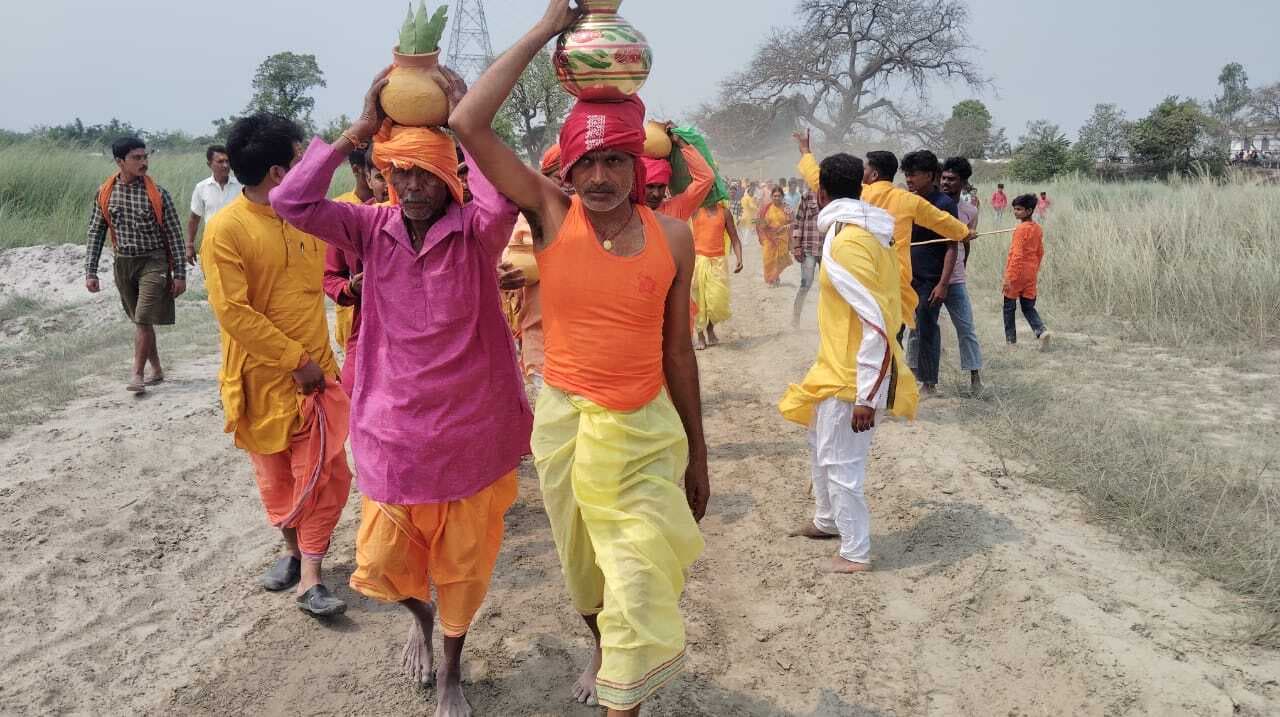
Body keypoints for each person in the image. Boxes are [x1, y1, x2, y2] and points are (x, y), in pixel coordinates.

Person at [449, 2, 710, 712]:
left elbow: (678, 352)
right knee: (587, 571)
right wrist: (544, 28)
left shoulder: (674, 239)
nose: (599, 176)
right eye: (585, 160)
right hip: (565, 424)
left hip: (646, 433)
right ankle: (600, 644)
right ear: (566, 167)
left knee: (635, 574)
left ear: (638, 164)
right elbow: (467, 123)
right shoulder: (551, 213)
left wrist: (699, 452)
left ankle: (621, 689)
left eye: (614, 159)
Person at [271, 67, 530, 717]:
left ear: (447, 176)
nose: (410, 186)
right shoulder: (369, 228)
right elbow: (291, 202)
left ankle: (451, 668)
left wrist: (463, 115)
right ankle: (420, 618)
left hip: (470, 432)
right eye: (400, 173)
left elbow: (501, 199)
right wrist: (357, 130)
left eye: (423, 173)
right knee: (383, 562)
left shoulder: (475, 231)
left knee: (463, 567)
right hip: (392, 430)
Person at [201, 113, 351, 617]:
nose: (307, 167)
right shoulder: (226, 230)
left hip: (317, 379)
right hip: (262, 379)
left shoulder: (310, 216)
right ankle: (292, 552)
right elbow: (233, 312)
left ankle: (311, 576)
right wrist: (294, 360)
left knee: (325, 475)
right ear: (277, 174)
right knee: (278, 479)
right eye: (298, 159)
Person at [779, 152, 918, 574]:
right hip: (832, 370)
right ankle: (827, 521)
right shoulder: (857, 231)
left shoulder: (848, 243)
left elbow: (875, 322)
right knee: (820, 450)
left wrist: (866, 396)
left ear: (821, 193)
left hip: (851, 378)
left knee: (842, 465)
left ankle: (855, 551)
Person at [794, 133, 972, 339]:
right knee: (890, 338)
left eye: (865, 168)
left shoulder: (856, 194)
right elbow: (942, 221)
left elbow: (818, 178)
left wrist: (806, 152)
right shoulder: (908, 200)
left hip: (860, 278)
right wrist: (966, 232)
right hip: (894, 282)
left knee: (863, 336)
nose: (862, 172)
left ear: (874, 174)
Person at [84, 136, 188, 393]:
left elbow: (175, 234)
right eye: (137, 158)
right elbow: (96, 232)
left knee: (143, 318)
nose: (144, 162)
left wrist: (180, 274)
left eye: (145, 157)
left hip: (154, 262)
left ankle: (136, 374)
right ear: (120, 162)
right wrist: (91, 271)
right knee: (141, 320)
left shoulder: (158, 194)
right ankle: (157, 369)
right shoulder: (105, 193)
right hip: (123, 263)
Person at [901, 150, 957, 396]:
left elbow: (952, 246)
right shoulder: (905, 201)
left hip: (930, 279)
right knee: (897, 327)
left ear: (930, 175)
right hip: (904, 276)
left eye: (914, 174)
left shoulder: (944, 204)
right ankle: (898, 378)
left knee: (926, 326)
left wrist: (943, 284)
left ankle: (929, 382)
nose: (909, 179)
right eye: (907, 174)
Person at [327, 145, 381, 367]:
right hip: (365, 333)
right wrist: (350, 288)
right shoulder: (350, 221)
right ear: (368, 178)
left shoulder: (435, 220)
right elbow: (330, 276)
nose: (391, 184)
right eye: (381, 176)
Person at [939, 157, 984, 393]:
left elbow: (965, 246)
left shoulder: (969, 211)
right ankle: (921, 378)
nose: (946, 183)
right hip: (930, 278)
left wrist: (963, 265)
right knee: (920, 329)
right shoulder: (930, 206)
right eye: (943, 178)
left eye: (952, 179)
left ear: (963, 182)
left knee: (966, 329)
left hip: (956, 280)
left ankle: (975, 377)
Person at [690, 199, 744, 349]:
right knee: (699, 298)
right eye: (706, 188)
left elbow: (735, 238)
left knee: (716, 300)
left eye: (713, 188)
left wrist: (739, 258)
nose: (709, 192)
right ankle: (700, 335)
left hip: (718, 262)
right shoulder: (695, 210)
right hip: (698, 260)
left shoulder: (725, 212)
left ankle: (710, 328)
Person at [639, 127, 715, 221]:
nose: (656, 194)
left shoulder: (676, 209)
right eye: (650, 186)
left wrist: (680, 142)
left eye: (661, 187)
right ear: (638, 184)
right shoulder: (625, 212)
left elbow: (706, 178)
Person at [1005, 194, 1051, 348]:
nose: (1015, 212)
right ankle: (1041, 330)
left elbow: (1017, 255)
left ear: (1029, 210)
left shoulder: (1020, 229)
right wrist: (1034, 269)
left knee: (1009, 307)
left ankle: (1010, 342)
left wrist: (1010, 277)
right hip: (1031, 272)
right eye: (1014, 209)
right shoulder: (1037, 228)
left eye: (1019, 209)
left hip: (1017, 272)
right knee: (1028, 306)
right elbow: (1040, 252)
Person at [186, 144, 241, 264]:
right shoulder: (201, 188)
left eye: (227, 161)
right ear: (209, 164)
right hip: (212, 243)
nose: (225, 165)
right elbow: (194, 218)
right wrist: (189, 245)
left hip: (238, 244)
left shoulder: (241, 186)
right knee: (213, 280)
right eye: (220, 161)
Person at [789, 183, 822, 325]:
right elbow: (798, 222)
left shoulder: (837, 196)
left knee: (828, 287)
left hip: (828, 250)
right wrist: (796, 246)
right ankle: (796, 317)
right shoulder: (807, 195)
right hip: (809, 247)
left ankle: (824, 321)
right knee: (806, 284)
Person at [757, 186, 794, 287]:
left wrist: (785, 227)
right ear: (771, 196)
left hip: (782, 237)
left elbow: (793, 223)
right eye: (774, 196)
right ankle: (771, 278)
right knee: (768, 259)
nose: (776, 198)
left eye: (779, 196)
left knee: (779, 260)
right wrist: (764, 224)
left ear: (782, 196)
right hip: (768, 238)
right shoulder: (766, 208)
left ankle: (774, 278)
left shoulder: (787, 208)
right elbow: (758, 221)